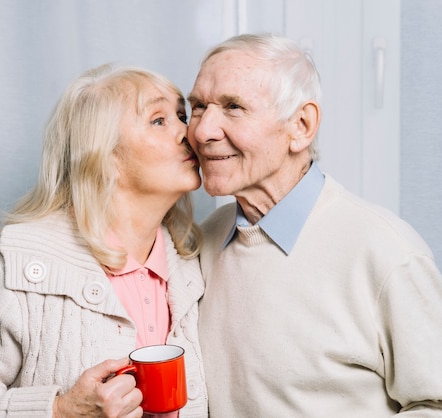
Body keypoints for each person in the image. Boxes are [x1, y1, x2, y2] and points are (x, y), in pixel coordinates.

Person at [0, 63, 208, 417]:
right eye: (159, 120)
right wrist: (61, 410)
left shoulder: (194, 268)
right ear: (105, 157)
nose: (191, 132)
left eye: (181, 114)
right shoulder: (16, 266)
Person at [187, 33, 442, 417]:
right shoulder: (202, 243)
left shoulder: (386, 252)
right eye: (197, 107)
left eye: (234, 107)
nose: (203, 131)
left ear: (301, 126)